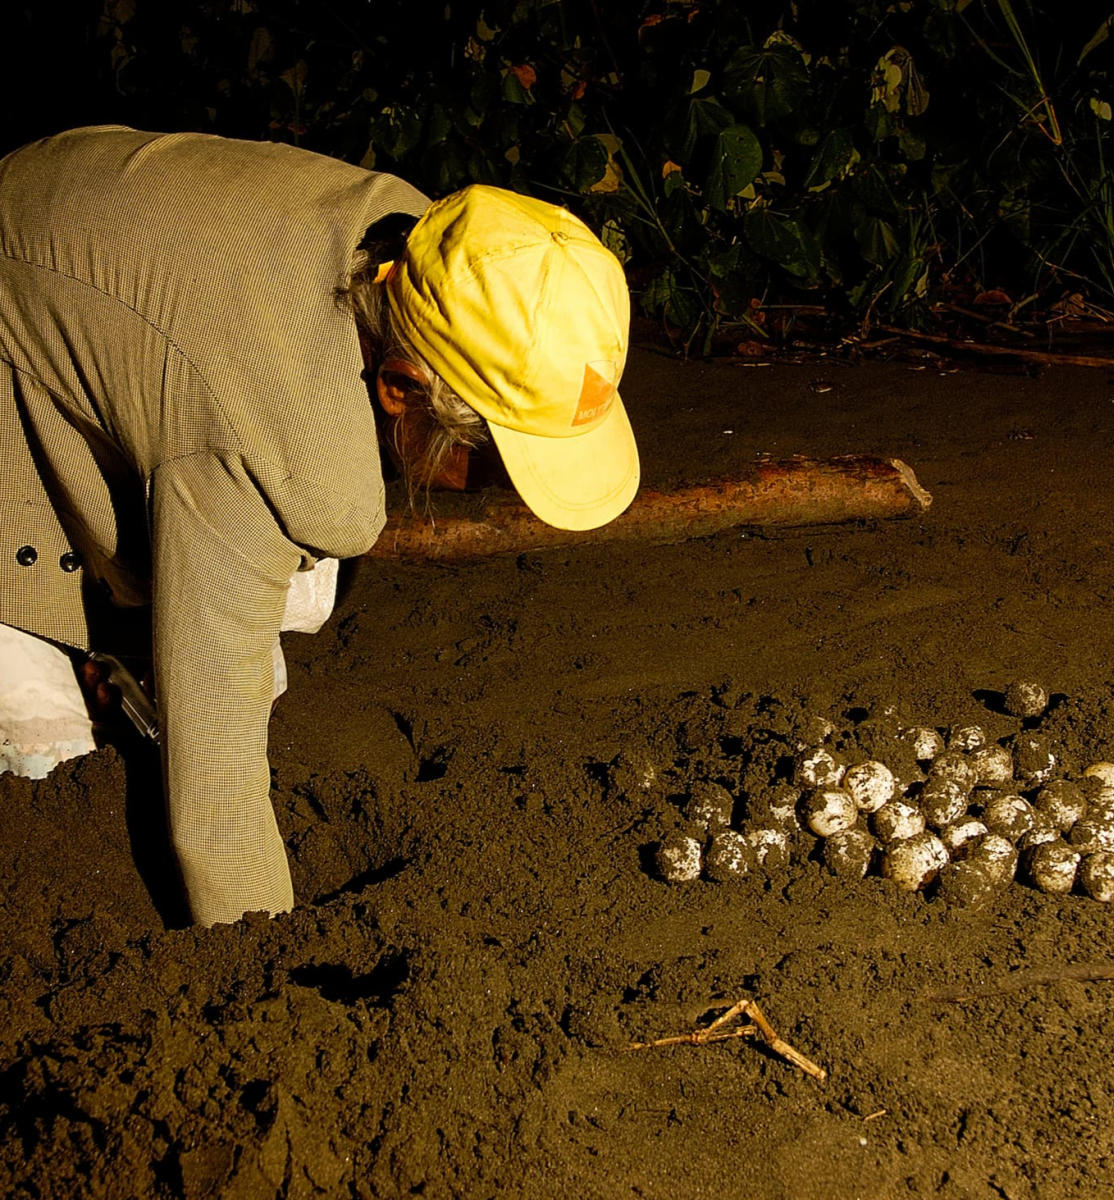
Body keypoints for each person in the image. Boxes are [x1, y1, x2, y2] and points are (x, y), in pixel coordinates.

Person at [0, 126, 639, 925]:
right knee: (47, 760)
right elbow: (219, 786)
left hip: (83, 249)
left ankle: (135, 622)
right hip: (15, 332)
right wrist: (259, 952)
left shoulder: (445, 258)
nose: (499, 489)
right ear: (402, 388)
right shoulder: (264, 431)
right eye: (497, 460)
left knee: (297, 572)